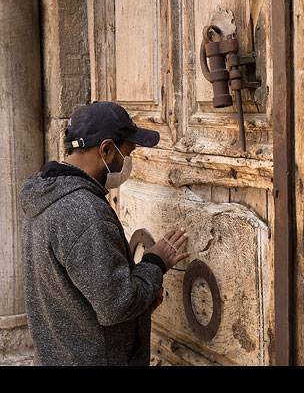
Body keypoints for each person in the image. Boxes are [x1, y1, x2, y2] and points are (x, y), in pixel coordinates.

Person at [20, 101, 189, 366]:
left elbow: (78, 294)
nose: (128, 162)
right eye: (128, 152)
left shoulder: (43, 196)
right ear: (107, 149)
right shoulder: (85, 212)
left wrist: (138, 307)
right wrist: (154, 264)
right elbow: (117, 306)